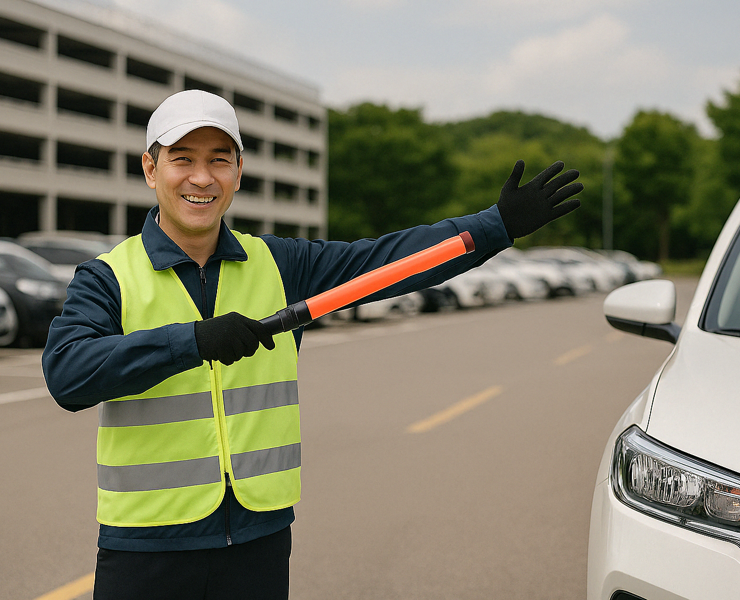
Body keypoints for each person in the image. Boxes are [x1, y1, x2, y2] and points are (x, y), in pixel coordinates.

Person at [41, 90, 582, 599]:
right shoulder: (107, 276)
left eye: (219, 160)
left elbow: (387, 263)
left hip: (259, 540)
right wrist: (191, 342)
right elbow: (68, 374)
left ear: (239, 172)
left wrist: (495, 226)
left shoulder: (280, 263)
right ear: (150, 168)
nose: (201, 178)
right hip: (144, 548)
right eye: (182, 159)